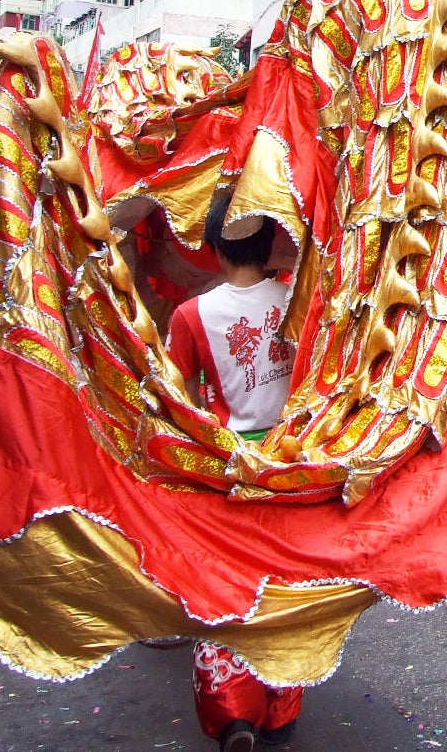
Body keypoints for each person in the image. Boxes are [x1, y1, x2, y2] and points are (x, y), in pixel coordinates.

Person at [168, 196, 301, 752]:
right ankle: (281, 710)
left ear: (215, 247)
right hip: (296, 461)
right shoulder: (298, 298)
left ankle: (232, 713)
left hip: (229, 466)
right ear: (268, 241)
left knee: (224, 586)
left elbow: (181, 400)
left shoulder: (191, 315)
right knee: (288, 585)